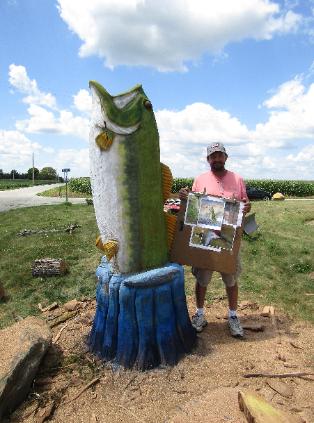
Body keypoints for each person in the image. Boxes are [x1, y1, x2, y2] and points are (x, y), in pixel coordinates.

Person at [179, 142, 251, 338]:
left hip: (229, 238)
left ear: (226, 158)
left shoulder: (237, 179)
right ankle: (200, 314)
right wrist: (185, 197)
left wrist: (246, 207)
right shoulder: (200, 179)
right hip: (204, 238)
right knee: (202, 279)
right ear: (208, 159)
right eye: (213, 156)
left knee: (231, 278)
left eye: (220, 155)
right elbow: (192, 207)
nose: (217, 159)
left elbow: (245, 205)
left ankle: (233, 316)